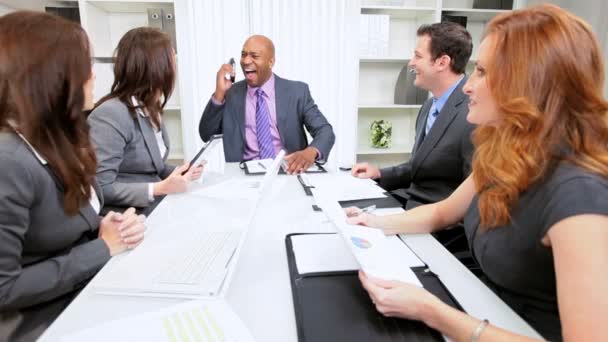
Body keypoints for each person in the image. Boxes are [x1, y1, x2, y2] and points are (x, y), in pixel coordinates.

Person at [347, 4, 608, 341]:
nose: (468, 86)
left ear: (527, 84)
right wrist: (373, 222)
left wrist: (433, 311)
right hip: (481, 309)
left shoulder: (579, 194)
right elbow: (443, 212)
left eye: (482, 72)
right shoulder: (507, 154)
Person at [0, 11, 146, 341]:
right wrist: (102, 248)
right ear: (49, 77)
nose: (93, 76)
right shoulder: (8, 160)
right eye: (83, 66)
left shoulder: (58, 139)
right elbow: (3, 288)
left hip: (84, 292)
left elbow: (69, 220)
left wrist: (107, 225)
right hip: (39, 321)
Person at [352, 22, 475, 210]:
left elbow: (474, 196)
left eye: (418, 56)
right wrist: (379, 173)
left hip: (440, 223)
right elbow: (420, 165)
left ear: (442, 62)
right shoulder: (428, 106)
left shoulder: (473, 113)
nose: (411, 63)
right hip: (410, 203)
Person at [88, 27, 204, 214]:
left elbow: (151, 167)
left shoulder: (150, 106)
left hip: (155, 207)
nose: (175, 63)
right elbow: (102, 187)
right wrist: (160, 188)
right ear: (156, 66)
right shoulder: (111, 114)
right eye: (171, 57)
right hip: (129, 218)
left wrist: (181, 172)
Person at [198, 35, 336, 174]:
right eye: (243, 55)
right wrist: (219, 93)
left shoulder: (297, 92)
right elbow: (206, 134)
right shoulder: (231, 93)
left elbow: (325, 131)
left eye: (254, 56)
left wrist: (310, 152)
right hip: (242, 176)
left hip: (289, 171)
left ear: (271, 62)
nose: (246, 61)